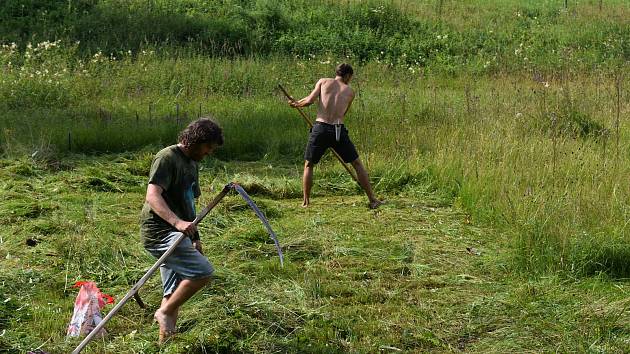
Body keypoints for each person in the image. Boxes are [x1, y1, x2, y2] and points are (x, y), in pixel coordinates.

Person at [140, 118, 223, 343]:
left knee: (173, 290)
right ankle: (164, 312)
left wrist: (195, 236)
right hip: (159, 232)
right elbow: (152, 195)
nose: (208, 153)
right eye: (208, 147)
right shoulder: (167, 157)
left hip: (179, 233)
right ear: (196, 140)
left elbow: (189, 204)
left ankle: (164, 344)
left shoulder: (192, 163)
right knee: (203, 272)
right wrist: (177, 224)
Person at [289, 63, 383, 209]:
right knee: (357, 164)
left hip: (320, 128)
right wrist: (298, 103)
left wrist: (296, 104)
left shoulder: (323, 81)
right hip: (338, 130)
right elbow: (343, 113)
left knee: (309, 164)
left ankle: (306, 202)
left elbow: (309, 101)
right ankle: (372, 199)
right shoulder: (350, 92)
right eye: (350, 77)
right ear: (347, 76)